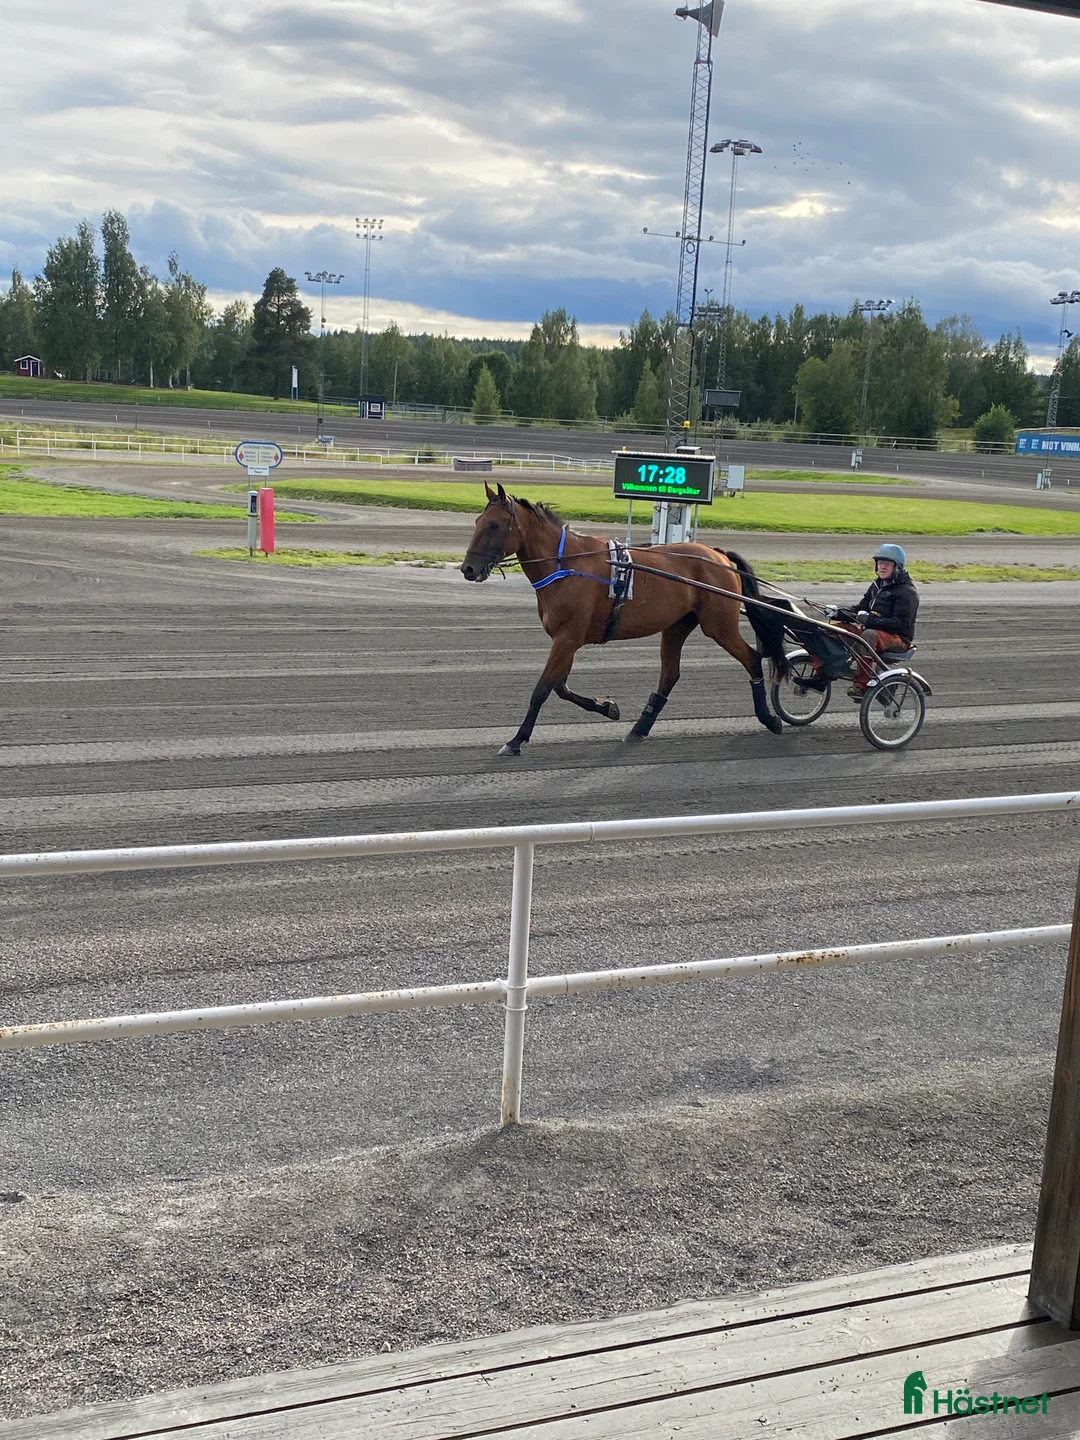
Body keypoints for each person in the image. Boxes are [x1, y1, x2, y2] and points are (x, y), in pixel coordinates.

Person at [827, 543, 919, 700]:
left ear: (897, 567)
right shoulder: (877, 585)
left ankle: (861, 686)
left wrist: (870, 620)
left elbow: (901, 624)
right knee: (832, 629)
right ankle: (822, 674)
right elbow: (860, 609)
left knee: (868, 634)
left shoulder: (907, 592)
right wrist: (838, 613)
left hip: (898, 639)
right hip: (876, 633)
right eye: (880, 563)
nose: (882, 567)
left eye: (887, 564)